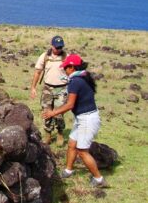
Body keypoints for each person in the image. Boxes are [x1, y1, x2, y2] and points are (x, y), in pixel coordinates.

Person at [42, 54, 108, 188]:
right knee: (72, 144)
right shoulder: (81, 77)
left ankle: (99, 179)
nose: (64, 69)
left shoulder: (76, 81)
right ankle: (68, 170)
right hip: (82, 118)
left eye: (65, 67)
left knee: (82, 151)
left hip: (87, 119)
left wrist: (52, 113)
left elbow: (70, 105)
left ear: (72, 67)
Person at [30, 35, 68, 145]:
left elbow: (73, 72)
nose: (58, 50)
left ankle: (60, 133)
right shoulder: (44, 56)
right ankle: (48, 134)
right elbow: (37, 72)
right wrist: (33, 88)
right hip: (47, 88)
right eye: (56, 47)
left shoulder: (66, 57)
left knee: (59, 113)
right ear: (52, 46)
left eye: (60, 47)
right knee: (46, 112)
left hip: (62, 88)